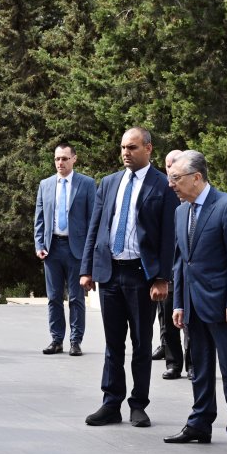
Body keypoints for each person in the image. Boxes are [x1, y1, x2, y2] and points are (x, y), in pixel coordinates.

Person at [80, 127, 178, 428]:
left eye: (132, 147)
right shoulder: (109, 183)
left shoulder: (163, 185)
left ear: (148, 149)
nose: (125, 153)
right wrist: (86, 269)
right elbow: (95, 228)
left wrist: (162, 278)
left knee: (140, 343)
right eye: (123, 147)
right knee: (112, 344)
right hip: (110, 274)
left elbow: (168, 238)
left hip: (141, 275)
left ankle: (138, 404)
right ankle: (111, 403)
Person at [165, 150, 227, 454]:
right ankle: (200, 424)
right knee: (199, 369)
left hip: (224, 306)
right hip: (192, 305)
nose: (171, 184)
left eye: (176, 178)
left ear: (196, 178)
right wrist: (178, 304)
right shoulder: (180, 212)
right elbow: (180, 263)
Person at [34, 142, 95, 356]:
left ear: (74, 159)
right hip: (52, 248)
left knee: (77, 298)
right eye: (57, 159)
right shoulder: (46, 184)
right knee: (53, 297)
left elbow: (92, 219)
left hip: (76, 249)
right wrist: (39, 244)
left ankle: (75, 341)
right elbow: (39, 218)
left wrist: (90, 252)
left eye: (65, 158)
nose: (60, 162)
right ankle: (56, 339)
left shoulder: (87, 184)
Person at [153, 150, 192, 380]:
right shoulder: (162, 192)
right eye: (168, 164)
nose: (170, 168)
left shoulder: (193, 194)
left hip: (189, 269)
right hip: (168, 270)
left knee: (190, 323)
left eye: (175, 164)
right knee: (167, 319)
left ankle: (193, 365)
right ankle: (173, 363)